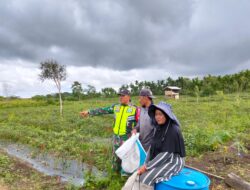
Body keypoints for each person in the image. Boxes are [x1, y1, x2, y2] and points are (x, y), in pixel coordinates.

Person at [80, 89, 139, 175]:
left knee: (126, 157)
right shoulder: (116, 107)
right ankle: (115, 174)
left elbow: (140, 123)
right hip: (116, 137)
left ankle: (126, 176)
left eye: (123, 96)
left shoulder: (135, 109)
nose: (120, 97)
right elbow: (103, 110)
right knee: (115, 157)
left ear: (128, 97)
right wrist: (89, 112)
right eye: (120, 96)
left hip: (127, 138)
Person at [136, 102, 186, 188]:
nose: (157, 117)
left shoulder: (173, 130)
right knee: (141, 175)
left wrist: (147, 167)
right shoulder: (158, 128)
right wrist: (145, 164)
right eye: (156, 114)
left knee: (145, 178)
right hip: (160, 159)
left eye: (160, 114)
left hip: (172, 162)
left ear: (167, 115)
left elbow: (166, 154)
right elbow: (151, 148)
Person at [132, 88, 155, 152]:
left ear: (146, 98)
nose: (139, 100)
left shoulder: (155, 111)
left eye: (140, 98)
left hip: (151, 147)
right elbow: (139, 123)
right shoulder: (142, 109)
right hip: (141, 145)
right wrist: (135, 129)